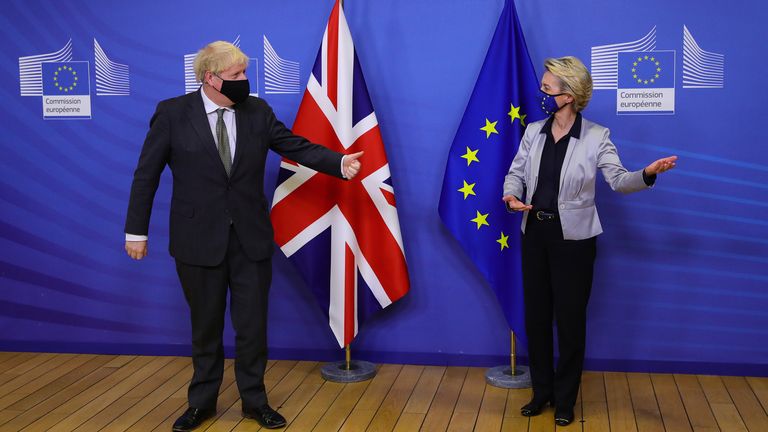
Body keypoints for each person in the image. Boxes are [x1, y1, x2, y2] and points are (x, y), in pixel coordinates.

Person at [124, 41, 362, 431]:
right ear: (209, 78)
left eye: (245, 74)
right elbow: (145, 176)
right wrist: (136, 231)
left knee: (252, 328)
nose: (243, 81)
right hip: (197, 240)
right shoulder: (172, 114)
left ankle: (255, 402)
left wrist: (338, 162)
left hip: (250, 239)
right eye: (235, 76)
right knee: (205, 327)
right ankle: (201, 403)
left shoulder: (257, 112)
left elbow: (293, 146)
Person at [502, 56, 676, 426]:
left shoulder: (597, 136)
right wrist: (511, 195)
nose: (542, 94)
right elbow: (515, 173)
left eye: (548, 89)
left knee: (569, 321)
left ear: (570, 95)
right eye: (543, 88)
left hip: (574, 242)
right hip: (534, 234)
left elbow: (618, 181)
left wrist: (646, 174)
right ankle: (542, 392)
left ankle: (565, 400)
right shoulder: (533, 131)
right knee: (536, 319)